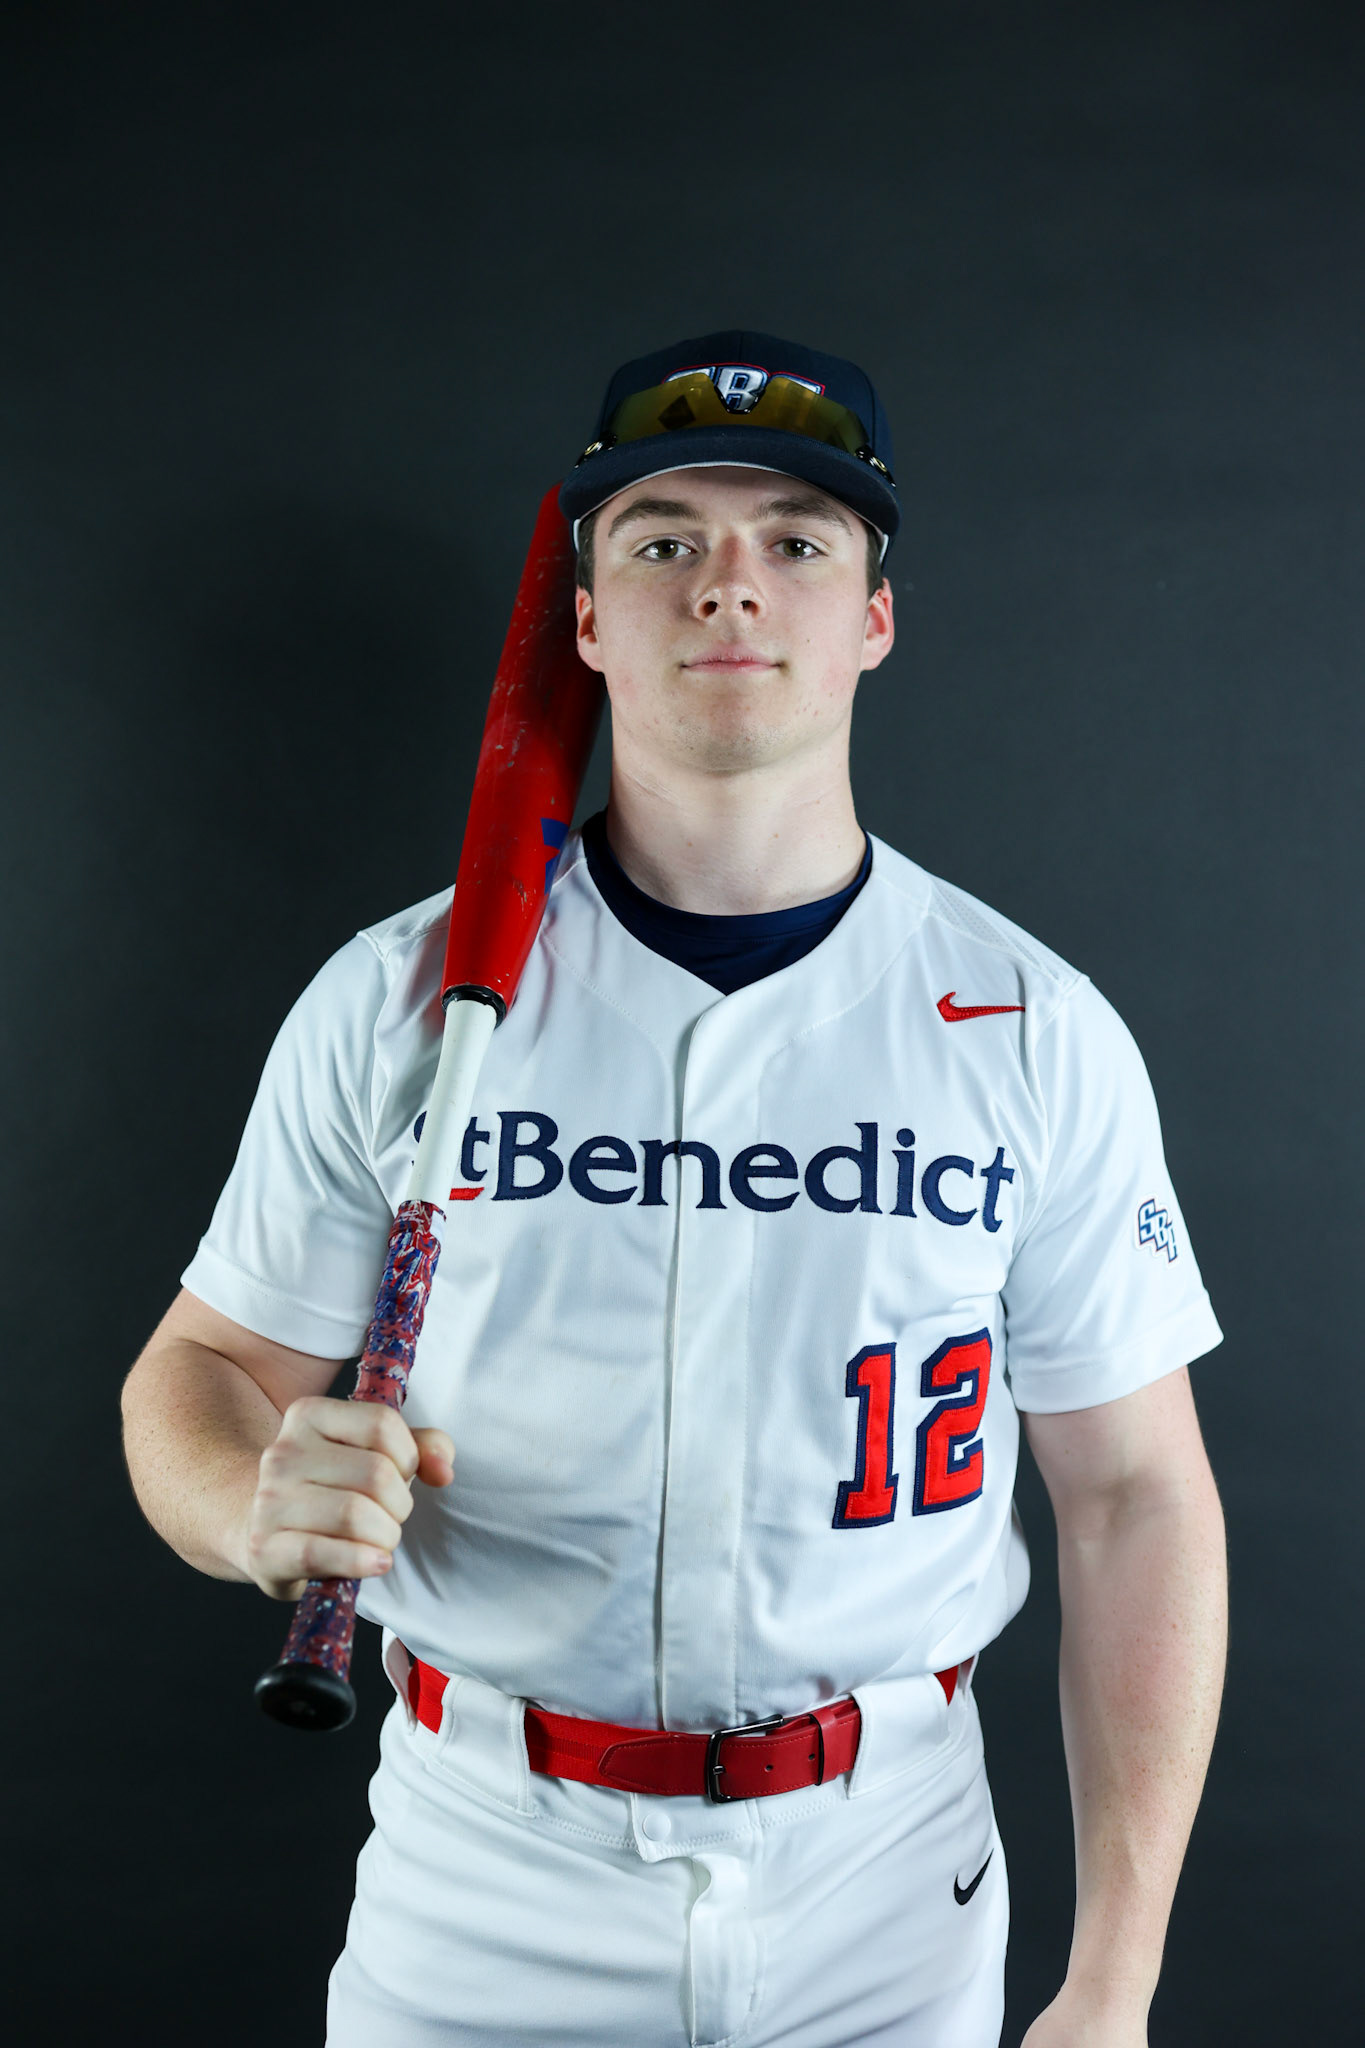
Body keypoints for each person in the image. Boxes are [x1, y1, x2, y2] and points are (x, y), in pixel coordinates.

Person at [121, 330, 1228, 2047]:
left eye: (794, 541)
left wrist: (1116, 1981)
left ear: (872, 618)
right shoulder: (402, 999)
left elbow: (1135, 1496)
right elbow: (195, 1381)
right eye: (662, 541)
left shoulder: (1027, 1025)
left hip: (889, 1878)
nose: (730, 585)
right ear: (583, 621)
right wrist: (243, 1502)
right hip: (485, 1869)